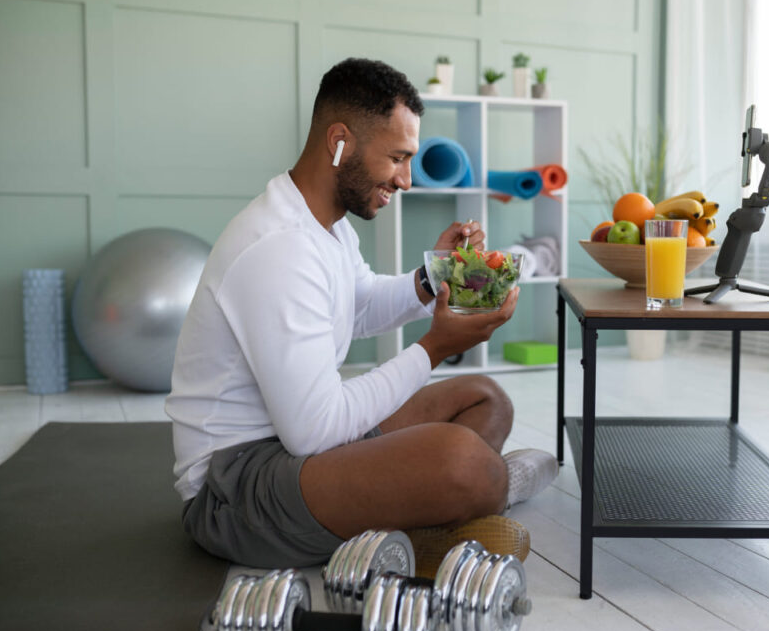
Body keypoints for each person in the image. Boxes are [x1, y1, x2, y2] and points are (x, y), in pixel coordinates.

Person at [166, 57, 558, 570]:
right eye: (397, 158)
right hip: (237, 487)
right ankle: (483, 492)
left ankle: (427, 520)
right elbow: (315, 430)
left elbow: (357, 306)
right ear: (340, 142)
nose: (408, 180)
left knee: (486, 400)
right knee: (465, 463)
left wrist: (436, 277)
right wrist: (435, 347)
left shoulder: (326, 226)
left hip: (298, 449)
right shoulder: (278, 248)